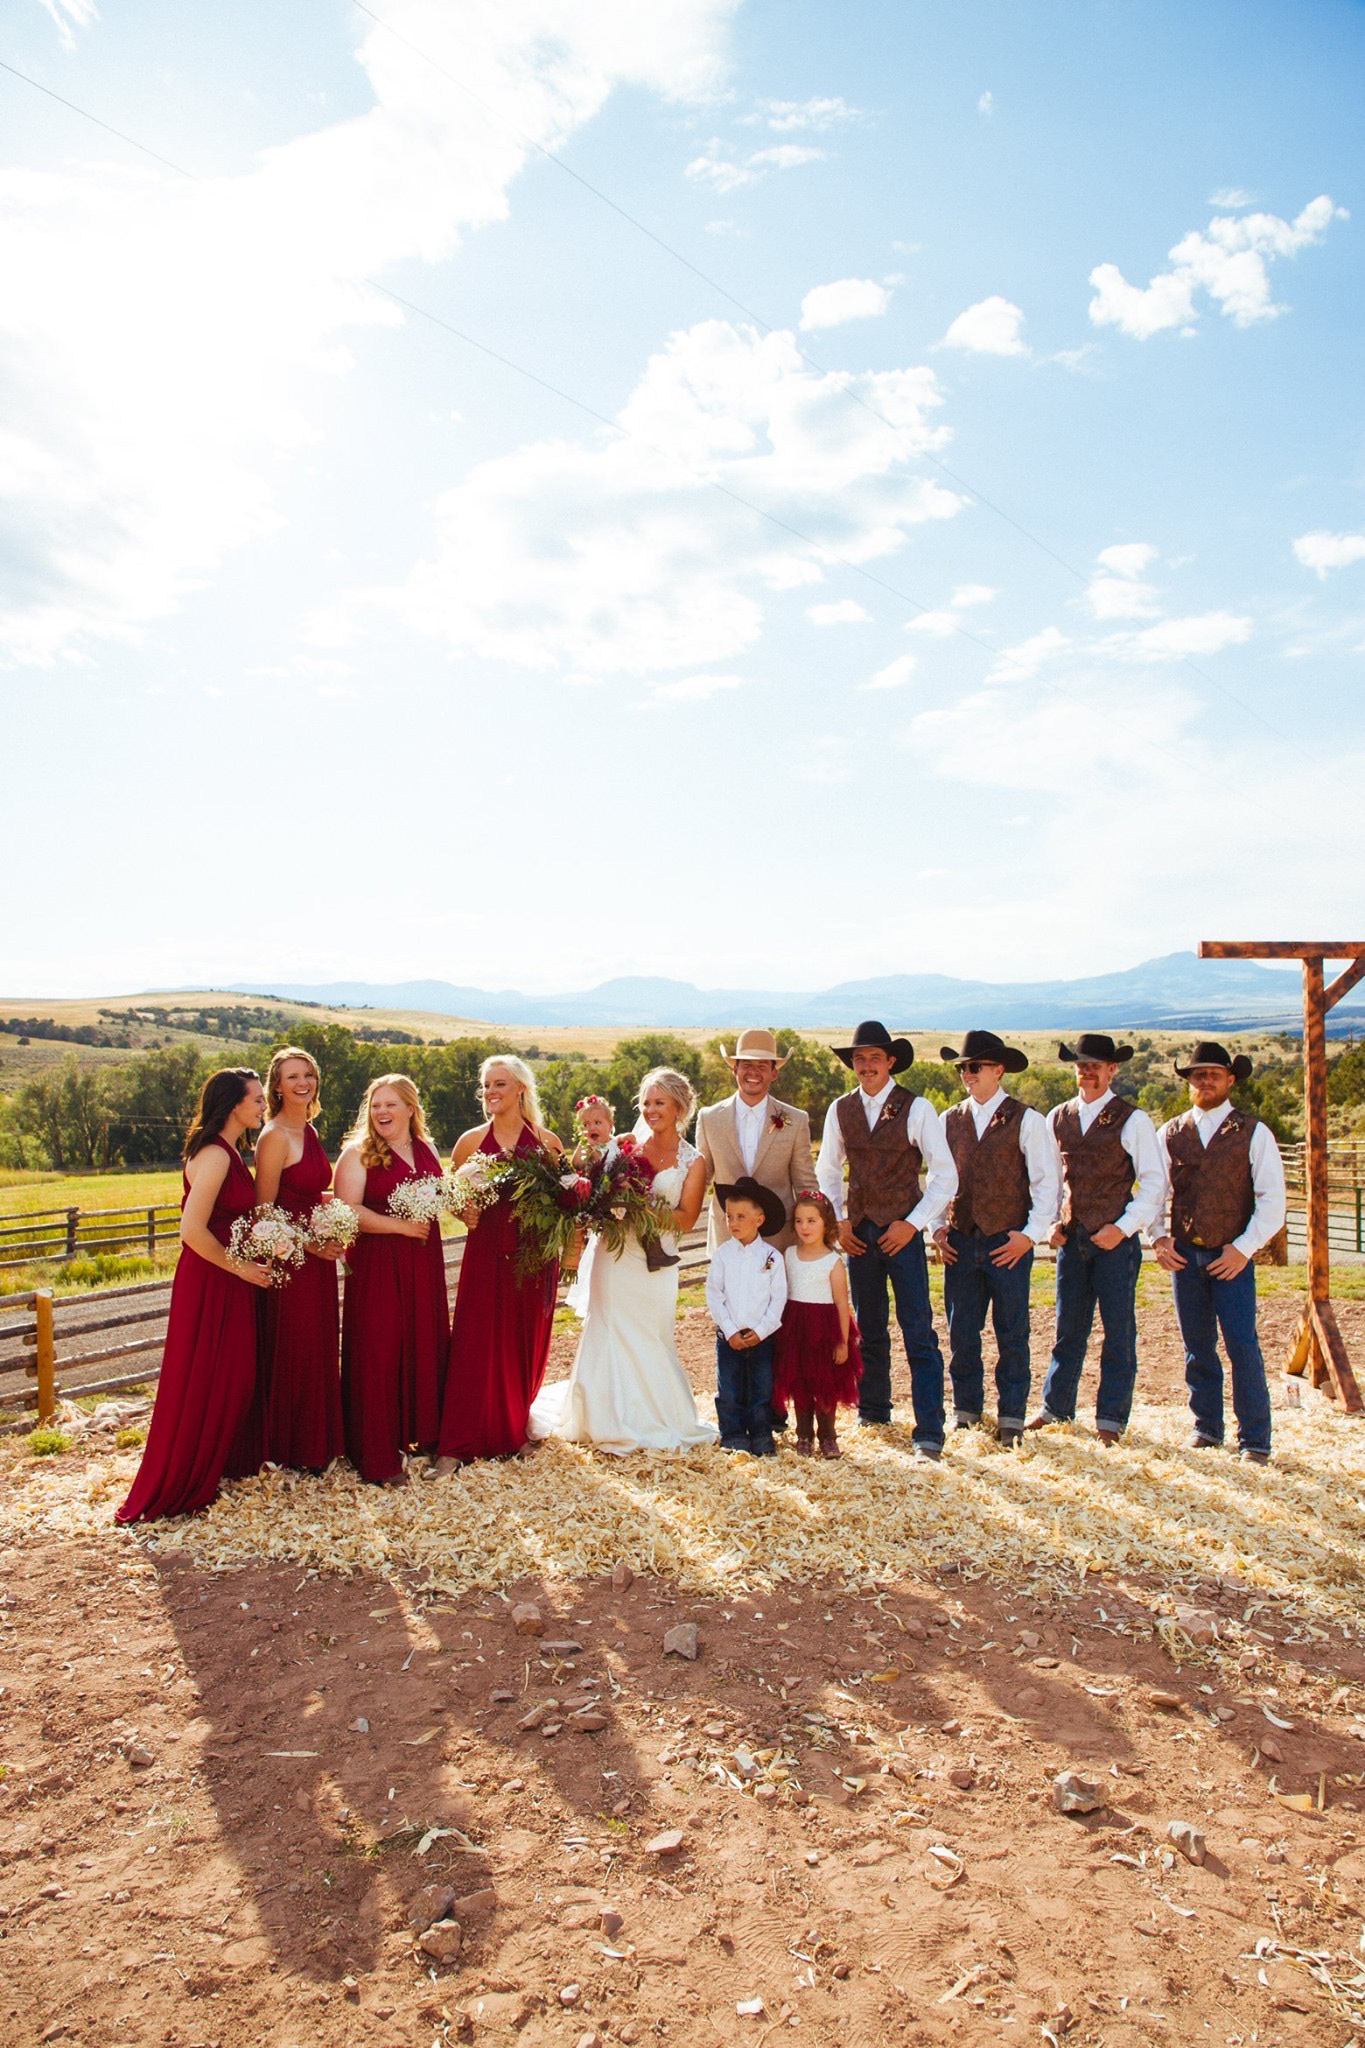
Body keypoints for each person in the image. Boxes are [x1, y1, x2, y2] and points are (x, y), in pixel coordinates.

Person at [529, 1068, 716, 1453]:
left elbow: (686, 1219)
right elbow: (590, 1186)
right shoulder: (625, 1147)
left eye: (659, 1102)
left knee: (652, 1333)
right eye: (646, 1103)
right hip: (613, 1256)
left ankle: (654, 1417)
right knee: (608, 1327)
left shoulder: (693, 1161)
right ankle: (601, 1418)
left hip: (656, 1263)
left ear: (679, 1108)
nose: (651, 1110)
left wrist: (640, 1209)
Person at [116, 1069, 273, 1524]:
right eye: (257, 1099)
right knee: (211, 1374)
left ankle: (217, 1464)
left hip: (228, 1275)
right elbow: (191, 1230)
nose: (263, 1106)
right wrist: (241, 1267)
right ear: (233, 1105)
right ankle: (186, 1477)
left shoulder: (230, 1150)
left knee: (233, 1375)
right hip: (212, 1278)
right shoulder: (216, 1155)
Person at [816, 1020, 957, 1459]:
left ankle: (929, 1429)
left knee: (918, 1331)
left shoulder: (917, 1108)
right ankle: (873, 1412)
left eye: (874, 1058)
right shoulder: (841, 1109)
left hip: (902, 1234)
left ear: (891, 1061)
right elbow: (827, 1169)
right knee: (869, 1328)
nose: (866, 1066)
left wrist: (912, 1224)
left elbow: (945, 1176)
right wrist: (839, 1222)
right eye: (859, 1059)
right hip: (859, 1234)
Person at [1150, 1041, 1286, 1463]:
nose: (1205, 1080)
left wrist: (1243, 1250)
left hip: (1232, 1258)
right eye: (1197, 1074)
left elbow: (1273, 1202)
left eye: (1213, 1074)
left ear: (1230, 1080)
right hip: (1185, 1256)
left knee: (1242, 1346)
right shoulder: (1169, 1133)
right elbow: (1154, 1192)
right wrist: (1158, 1238)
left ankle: (1255, 1440)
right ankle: (1206, 1427)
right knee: (1197, 1347)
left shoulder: (1254, 1132)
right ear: (1189, 1082)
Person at [1029, 1034, 1165, 1445]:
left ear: (1112, 1070)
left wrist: (1123, 1228)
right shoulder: (1058, 1117)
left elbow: (1154, 1184)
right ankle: (1056, 1408)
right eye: (1082, 1065)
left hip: (1115, 1242)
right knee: (1068, 1329)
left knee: (1118, 1331)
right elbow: (1049, 1180)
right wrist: (1052, 1224)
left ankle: (1111, 1419)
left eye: (1095, 1065)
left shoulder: (1133, 1120)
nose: (1087, 1072)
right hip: (1073, 1240)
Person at [933, 1031, 1060, 1447]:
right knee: (962, 1334)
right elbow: (936, 1180)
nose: (967, 1074)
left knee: (1012, 1333)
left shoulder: (1028, 1120)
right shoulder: (948, 1120)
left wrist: (1029, 1236)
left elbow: (1047, 1185)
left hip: (1008, 1243)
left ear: (999, 1070)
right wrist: (936, 1227)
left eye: (975, 1067)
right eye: (962, 1068)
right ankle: (966, 1413)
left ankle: (1011, 1418)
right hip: (961, 1240)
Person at [435, 1056, 563, 1467]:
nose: (491, 1091)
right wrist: (464, 1212)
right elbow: (452, 1195)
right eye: (487, 1085)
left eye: (500, 1084)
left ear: (521, 1088)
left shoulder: (547, 1142)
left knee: (521, 1344)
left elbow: (565, 1201)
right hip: (485, 1254)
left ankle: (513, 1431)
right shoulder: (470, 1142)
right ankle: (457, 1442)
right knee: (474, 1343)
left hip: (533, 1258)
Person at [335, 1074, 449, 1486]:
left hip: (423, 1261)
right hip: (378, 1264)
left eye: (391, 1104)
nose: (381, 1112)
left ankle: (421, 1433)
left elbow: (441, 1195)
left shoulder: (427, 1148)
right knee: (379, 1349)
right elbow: (347, 1210)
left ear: (410, 1109)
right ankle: (376, 1453)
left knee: (424, 1340)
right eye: (376, 1105)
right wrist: (400, 1226)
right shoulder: (358, 1154)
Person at [250, 1046, 345, 1473]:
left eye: (308, 1074)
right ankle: (292, 1448)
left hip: (319, 1254)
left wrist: (334, 1222)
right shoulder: (274, 1136)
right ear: (277, 1086)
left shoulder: (309, 1129)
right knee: (297, 1346)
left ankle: (319, 1442)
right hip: (292, 1259)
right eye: (292, 1077)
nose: (303, 1082)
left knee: (320, 1345)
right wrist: (308, 1245)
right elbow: (263, 1211)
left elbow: (308, 1194)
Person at [696, 1029, 818, 1255]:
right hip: (726, 1239)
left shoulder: (796, 1120)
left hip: (778, 1240)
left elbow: (805, 1184)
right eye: (746, 1065)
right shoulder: (708, 1118)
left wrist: (816, 1241)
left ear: (774, 1073)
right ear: (735, 1069)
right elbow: (700, 1178)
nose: (753, 1072)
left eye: (762, 1066)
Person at [774, 1190, 862, 1458]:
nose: (805, 1227)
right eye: (799, 1221)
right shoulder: (789, 1254)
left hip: (824, 1330)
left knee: (825, 1385)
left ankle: (827, 1436)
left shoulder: (832, 1261)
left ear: (826, 1223)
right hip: (795, 1329)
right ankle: (803, 1435)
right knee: (800, 1384)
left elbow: (841, 1304)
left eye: (812, 1220)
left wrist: (842, 1341)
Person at [705, 1176, 788, 1454]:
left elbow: (778, 1299)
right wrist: (729, 1330)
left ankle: (762, 1435)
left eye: (741, 1216)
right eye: (729, 1216)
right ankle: (733, 1435)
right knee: (729, 1391)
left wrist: (762, 1331)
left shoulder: (772, 1257)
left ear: (759, 1219)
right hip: (729, 1338)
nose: (733, 1222)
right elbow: (714, 1295)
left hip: (761, 1338)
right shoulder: (722, 1256)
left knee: (761, 1390)